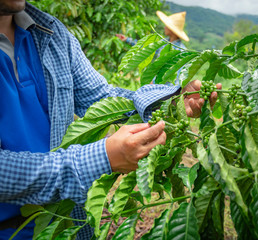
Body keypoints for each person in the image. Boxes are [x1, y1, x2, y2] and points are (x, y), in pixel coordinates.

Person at [0, 1, 221, 239]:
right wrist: (101, 157)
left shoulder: (51, 34)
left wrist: (171, 99)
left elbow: (100, 96)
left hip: (67, 223)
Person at [116, 11, 189, 85]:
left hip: (168, 89)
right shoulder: (164, 42)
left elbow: (174, 75)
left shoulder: (181, 50)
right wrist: (127, 39)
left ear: (172, 30)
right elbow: (147, 48)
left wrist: (154, 82)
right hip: (156, 85)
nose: (164, 27)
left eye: (167, 26)